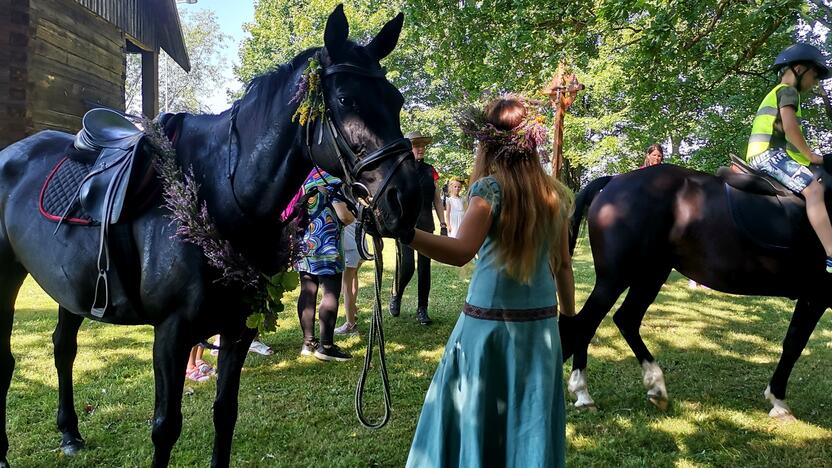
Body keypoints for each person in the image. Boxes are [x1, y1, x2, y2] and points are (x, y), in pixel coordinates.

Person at [404, 96, 576, 467]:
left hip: (487, 329)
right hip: (541, 328)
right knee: (530, 419)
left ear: (488, 141)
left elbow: (460, 251)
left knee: (479, 417)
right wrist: (570, 320)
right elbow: (563, 265)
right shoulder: (554, 195)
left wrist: (406, 234)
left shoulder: (488, 190)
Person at [746, 43, 832, 272]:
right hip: (768, 155)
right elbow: (790, 128)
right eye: (814, 75)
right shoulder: (788, 91)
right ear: (800, 69)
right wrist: (811, 156)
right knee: (814, 189)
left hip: (767, 154)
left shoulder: (777, 93)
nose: (814, 83)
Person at [295, 168, 355, 361]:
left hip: (304, 244)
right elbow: (345, 216)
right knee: (330, 292)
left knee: (307, 291)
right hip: (328, 245)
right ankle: (326, 347)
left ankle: (307, 343)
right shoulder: (333, 178)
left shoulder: (304, 177)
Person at [389, 131, 447, 325]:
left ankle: (422, 309)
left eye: (423, 145)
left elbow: (437, 199)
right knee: (407, 266)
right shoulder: (400, 170)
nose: (420, 148)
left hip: (426, 224)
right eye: (416, 145)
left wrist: (444, 223)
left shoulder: (431, 170)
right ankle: (397, 294)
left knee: (425, 268)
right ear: (408, 147)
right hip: (406, 225)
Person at [334, 221, 364, 335]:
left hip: (350, 246)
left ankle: (350, 324)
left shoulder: (339, 202)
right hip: (360, 244)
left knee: (345, 284)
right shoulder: (358, 202)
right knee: (353, 277)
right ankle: (353, 310)